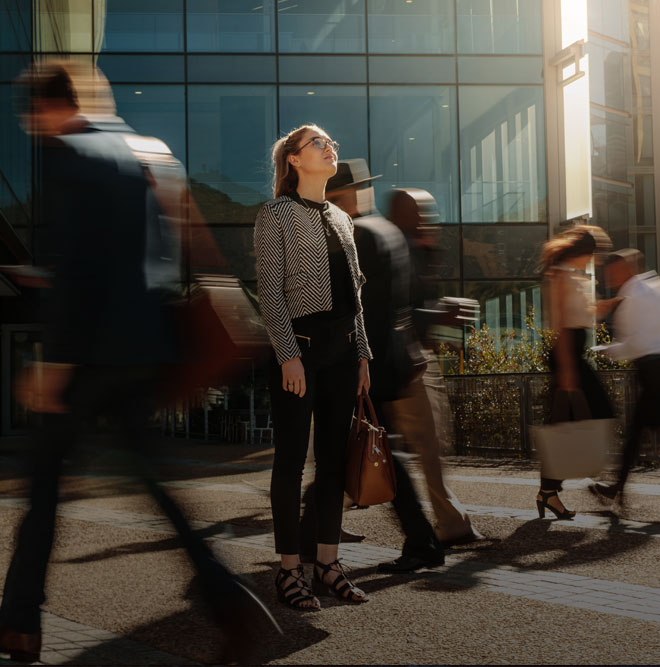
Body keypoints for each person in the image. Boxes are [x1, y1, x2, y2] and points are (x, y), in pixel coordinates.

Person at [0, 60, 279, 665]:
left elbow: (82, 267)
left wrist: (56, 361)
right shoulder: (145, 153)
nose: (32, 127)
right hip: (145, 348)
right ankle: (225, 599)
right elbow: (139, 255)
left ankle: (19, 621)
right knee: (157, 488)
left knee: (45, 486)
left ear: (48, 108)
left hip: (91, 357)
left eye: (31, 116)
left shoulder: (72, 155)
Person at [326, 171, 481, 573]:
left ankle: (423, 538)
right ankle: (423, 536)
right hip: (394, 362)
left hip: (376, 362)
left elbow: (364, 309)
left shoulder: (362, 236)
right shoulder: (384, 235)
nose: (428, 219)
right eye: (420, 212)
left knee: (373, 452)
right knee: (373, 451)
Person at [254, 126, 371, 610]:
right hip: (300, 353)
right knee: (289, 462)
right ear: (294, 161)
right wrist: (287, 355)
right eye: (319, 144)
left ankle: (327, 564)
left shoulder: (342, 219)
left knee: (333, 463)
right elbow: (271, 292)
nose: (330, 148)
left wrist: (363, 354)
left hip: (343, 354)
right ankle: (288, 571)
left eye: (332, 143)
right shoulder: (275, 214)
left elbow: (356, 298)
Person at [537, 225, 615, 520]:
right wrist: (568, 370)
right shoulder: (559, 275)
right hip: (567, 356)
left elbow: (586, 315)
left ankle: (548, 492)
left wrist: (607, 306)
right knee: (594, 414)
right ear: (584, 252)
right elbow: (560, 325)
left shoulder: (574, 276)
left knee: (562, 426)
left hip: (573, 356)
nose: (596, 260)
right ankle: (563, 485)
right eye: (595, 254)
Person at [589, 249, 660, 504]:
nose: (607, 277)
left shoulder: (630, 296)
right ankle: (617, 486)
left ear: (625, 269)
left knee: (637, 430)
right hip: (653, 370)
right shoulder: (655, 286)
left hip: (652, 370)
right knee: (637, 429)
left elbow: (637, 344)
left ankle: (617, 486)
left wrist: (607, 350)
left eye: (611, 272)